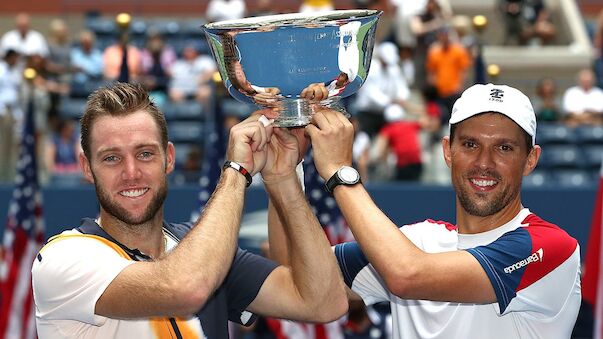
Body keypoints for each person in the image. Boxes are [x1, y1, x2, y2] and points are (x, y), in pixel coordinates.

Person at [31, 82, 348, 338]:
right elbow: (184, 287)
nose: (131, 173)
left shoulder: (202, 252)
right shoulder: (63, 259)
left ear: (169, 158)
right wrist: (236, 170)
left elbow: (323, 303)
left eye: (145, 154)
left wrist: (283, 177)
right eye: (111, 158)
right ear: (87, 168)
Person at [269, 83, 581, 338]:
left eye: (504, 148)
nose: (484, 162)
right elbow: (299, 274)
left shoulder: (552, 248)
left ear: (531, 159)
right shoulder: (417, 243)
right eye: (470, 145)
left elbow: (407, 275)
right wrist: (286, 171)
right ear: (448, 151)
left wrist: (339, 171)